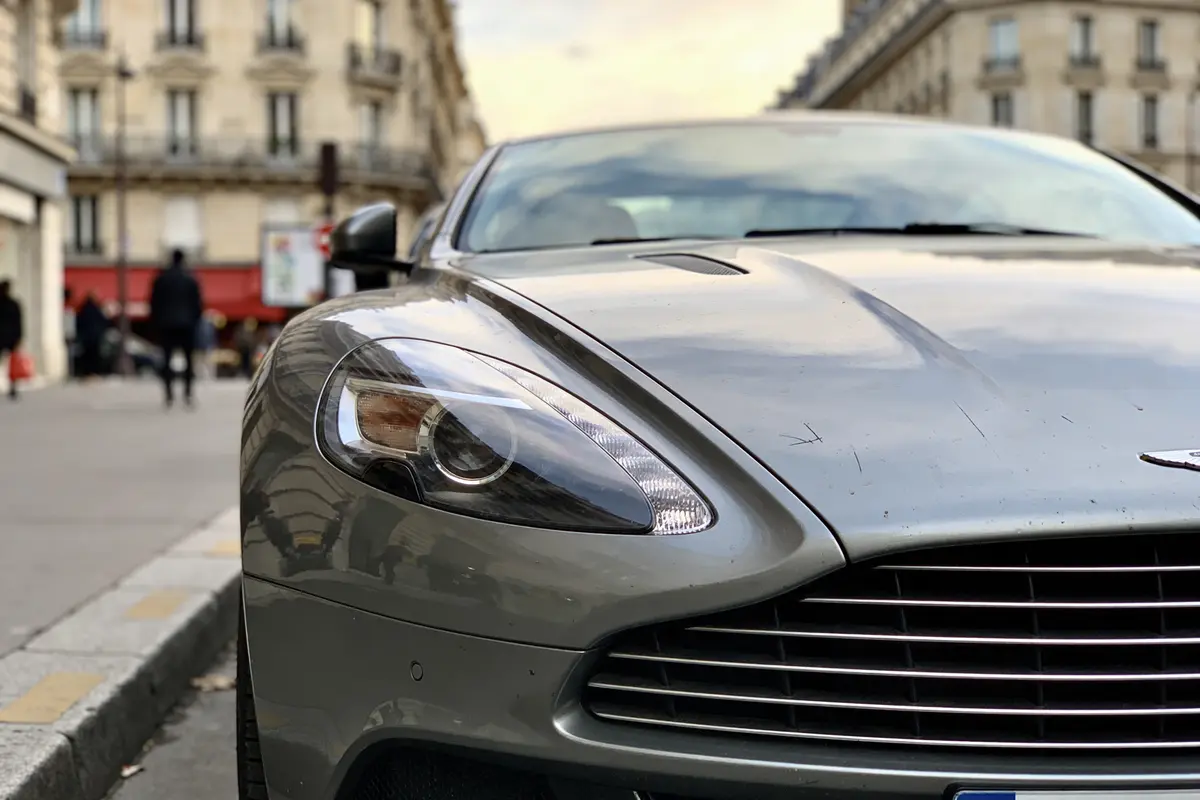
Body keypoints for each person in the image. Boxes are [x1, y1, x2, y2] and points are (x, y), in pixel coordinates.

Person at [149, 249, 204, 408]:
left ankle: (168, 394)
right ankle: (188, 394)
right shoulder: (191, 279)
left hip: (166, 325)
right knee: (189, 360)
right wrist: (194, 322)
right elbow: (198, 305)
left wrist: (156, 324)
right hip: (187, 325)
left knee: (166, 360)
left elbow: (154, 304)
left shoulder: (161, 279)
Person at [75, 292, 109, 379]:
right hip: (96, 338)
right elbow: (105, 322)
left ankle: (87, 373)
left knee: (87, 357)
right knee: (95, 357)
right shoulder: (97, 309)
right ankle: (94, 373)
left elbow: (78, 323)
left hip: (86, 339)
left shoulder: (83, 309)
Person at [0, 280, 23, 399]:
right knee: (13, 363)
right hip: (11, 337)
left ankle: (13, 386)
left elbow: (18, 322)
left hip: (7, 337)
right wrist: (19, 337)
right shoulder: (13, 304)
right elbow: (19, 323)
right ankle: (12, 386)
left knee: (12, 363)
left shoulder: (12, 304)